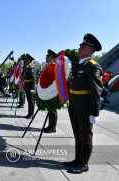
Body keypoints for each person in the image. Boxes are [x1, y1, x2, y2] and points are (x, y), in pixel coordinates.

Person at [63, 33, 103, 174]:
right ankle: (77, 159)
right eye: (80, 45)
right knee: (78, 135)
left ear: (91, 51)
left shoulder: (92, 67)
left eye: (83, 46)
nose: (79, 48)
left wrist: (94, 113)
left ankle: (84, 163)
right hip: (74, 106)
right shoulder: (79, 65)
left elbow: (96, 91)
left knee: (86, 137)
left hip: (85, 108)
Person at [43, 49, 58, 133]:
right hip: (48, 90)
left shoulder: (54, 66)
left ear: (51, 57)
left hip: (53, 90)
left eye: (47, 56)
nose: (46, 57)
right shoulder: (49, 65)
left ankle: (53, 127)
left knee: (53, 109)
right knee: (50, 109)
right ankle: (50, 125)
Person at [23, 54, 36, 119]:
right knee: (29, 100)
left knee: (31, 101)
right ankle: (29, 113)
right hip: (27, 86)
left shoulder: (31, 67)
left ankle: (31, 114)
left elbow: (33, 79)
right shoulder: (27, 67)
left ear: (29, 60)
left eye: (26, 59)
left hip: (30, 87)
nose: (25, 60)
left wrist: (33, 89)